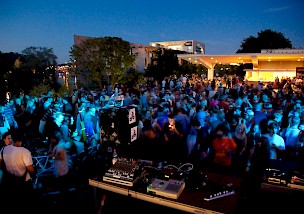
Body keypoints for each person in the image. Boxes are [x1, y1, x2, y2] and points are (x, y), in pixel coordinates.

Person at [0, 131, 36, 213]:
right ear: (22, 140)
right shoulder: (25, 152)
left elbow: (0, 164)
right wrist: (34, 174)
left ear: (12, 139)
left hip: (9, 182)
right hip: (23, 183)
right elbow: (30, 169)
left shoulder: (3, 149)